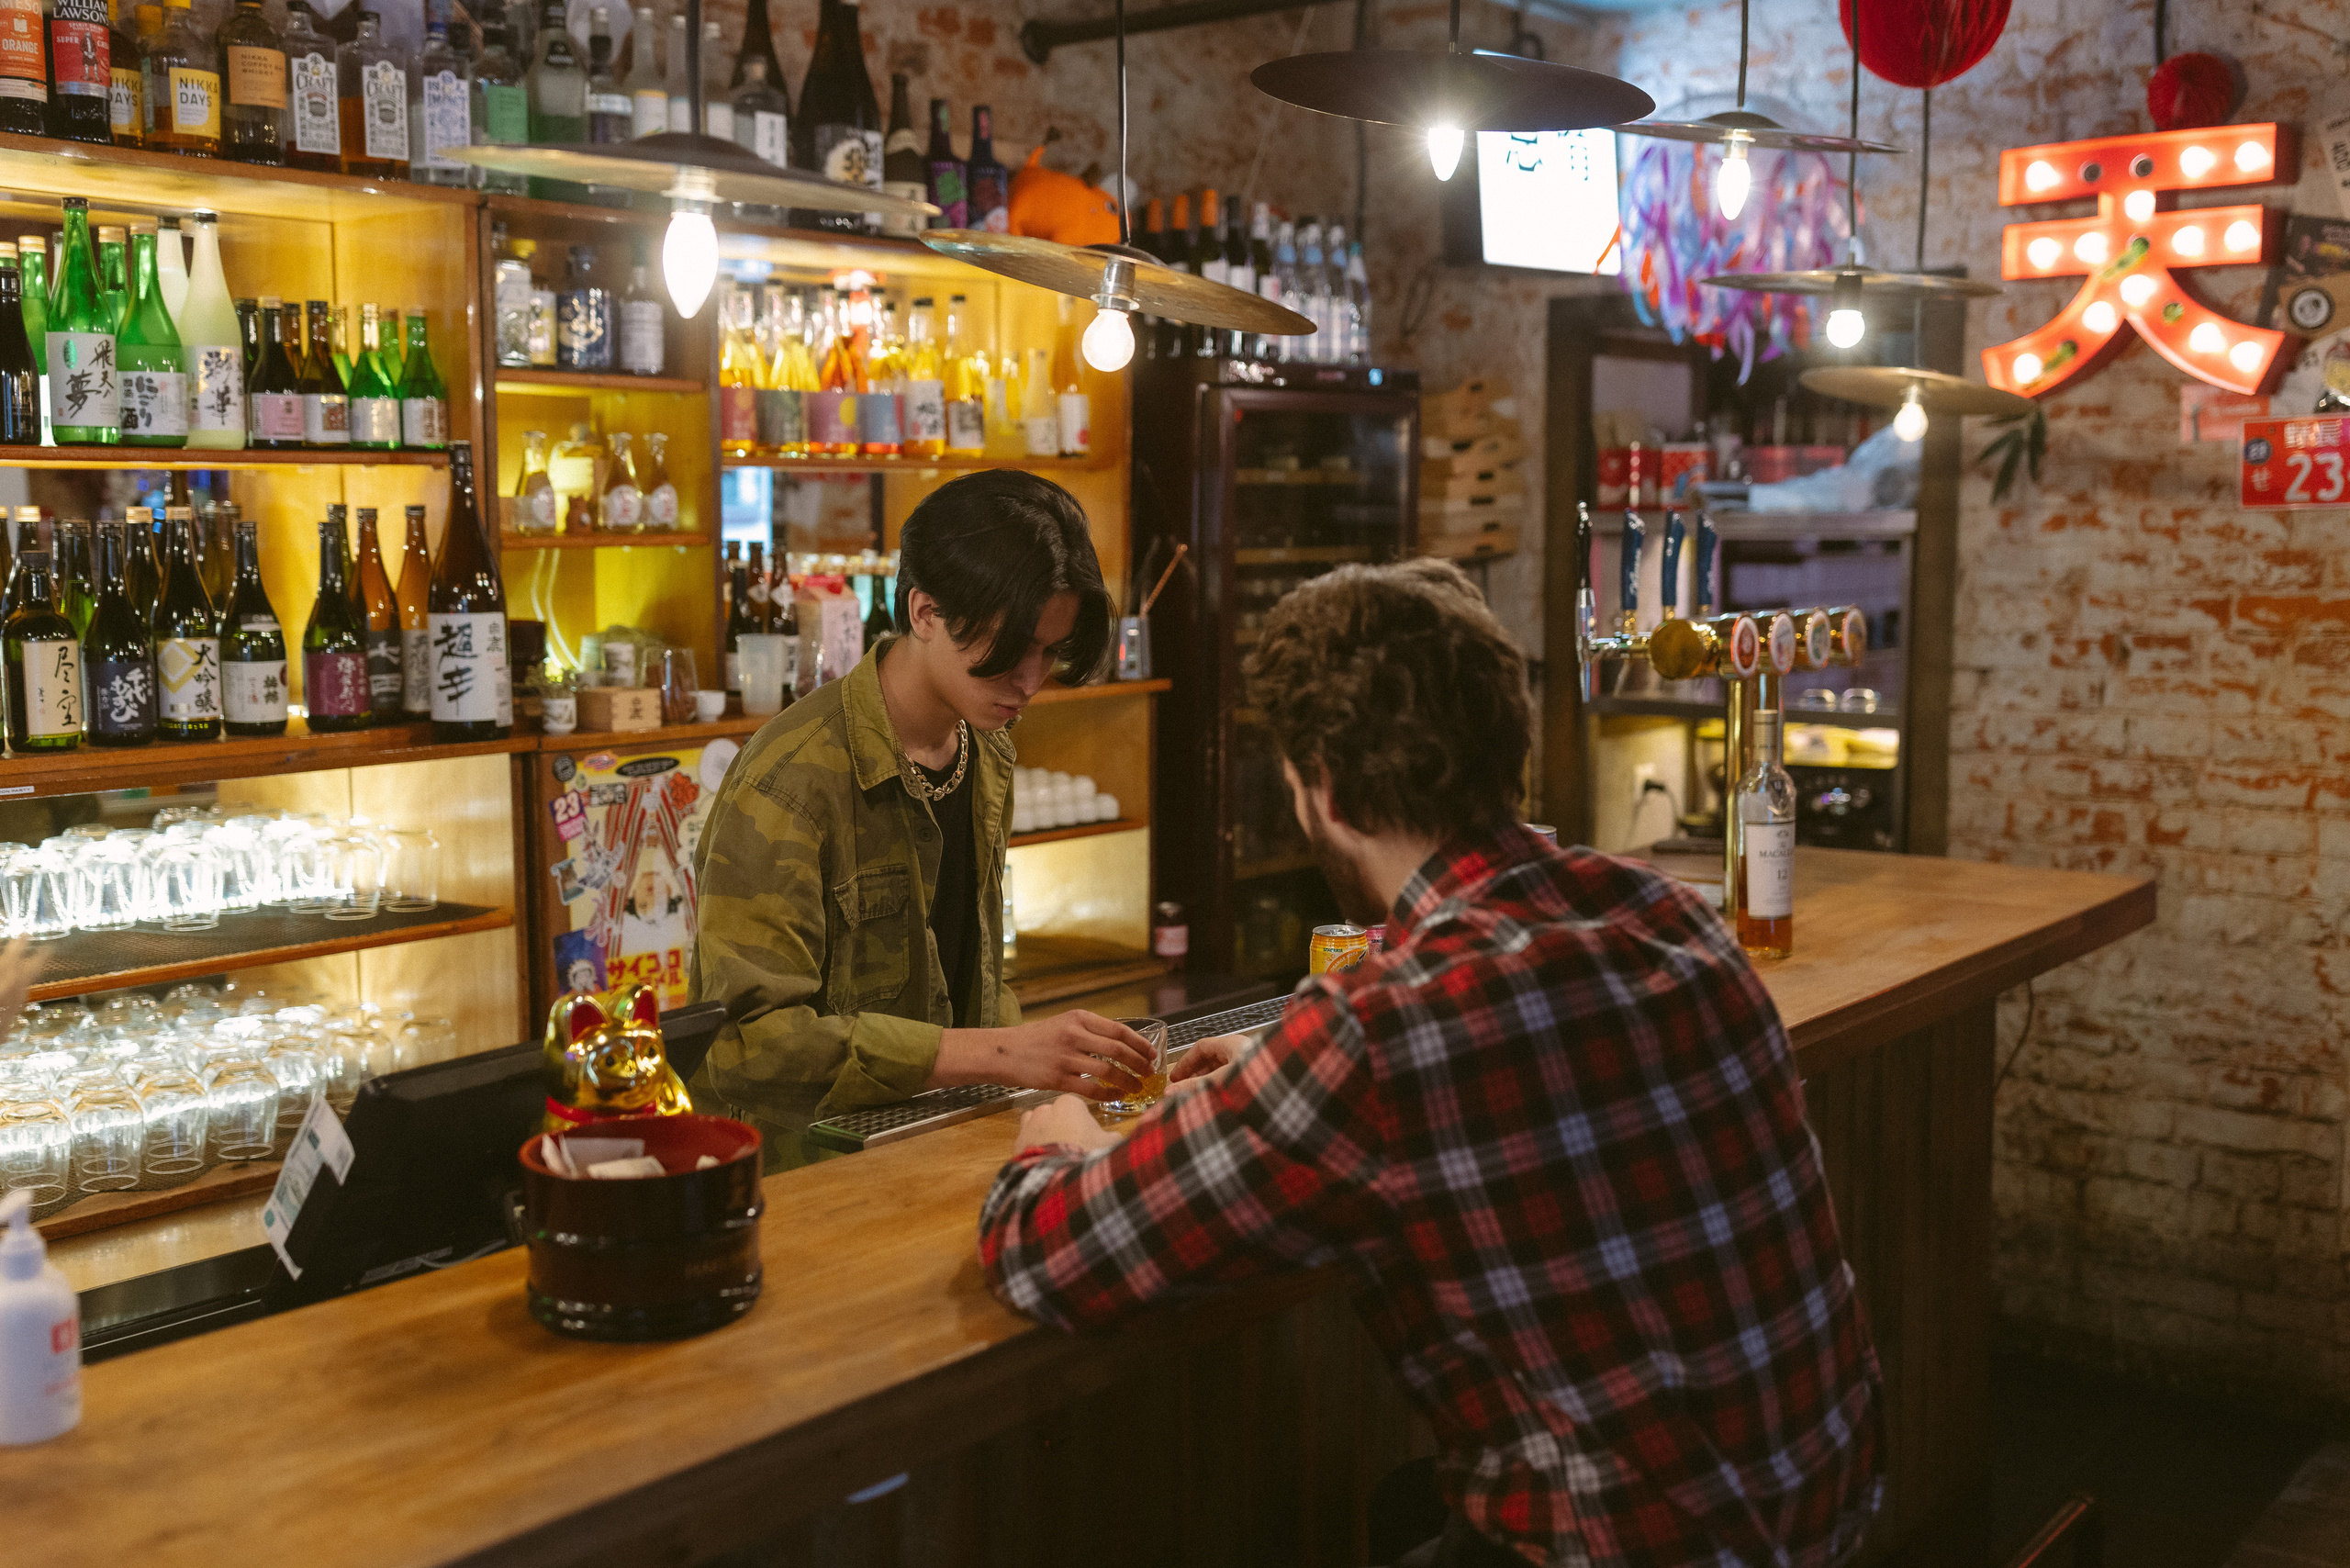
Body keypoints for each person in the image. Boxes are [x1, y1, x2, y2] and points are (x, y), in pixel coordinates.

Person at [977, 560, 1884, 1568]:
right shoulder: (1663, 911)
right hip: (1824, 1512)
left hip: (1628, 1550)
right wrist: (1284, 1058)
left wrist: (1057, 1142)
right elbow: (1523, 1053)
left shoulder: (1380, 1032)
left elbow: (1054, 1256)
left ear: (1327, 794)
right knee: (1411, 1505)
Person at [690, 471, 1156, 1167]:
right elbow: (746, 1046)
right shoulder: (791, 780)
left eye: (1049, 651)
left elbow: (976, 978)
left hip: (939, 1143)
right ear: (925, 612)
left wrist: (1049, 1072)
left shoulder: (984, 747)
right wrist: (1002, 1052)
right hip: (807, 1172)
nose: (1031, 681)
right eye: (1010, 651)